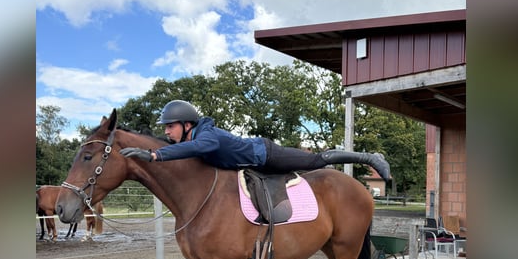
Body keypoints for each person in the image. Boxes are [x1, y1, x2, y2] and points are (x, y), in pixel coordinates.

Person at [120, 100, 391, 181]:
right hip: (251, 168)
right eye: (165, 128)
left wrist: (156, 156)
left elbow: (197, 149)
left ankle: (369, 158)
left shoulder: (206, 136)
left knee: (315, 161)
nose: (167, 133)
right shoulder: (191, 137)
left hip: (266, 155)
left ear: (186, 124)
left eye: (170, 127)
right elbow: (178, 149)